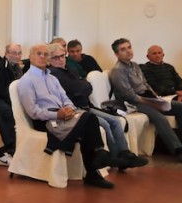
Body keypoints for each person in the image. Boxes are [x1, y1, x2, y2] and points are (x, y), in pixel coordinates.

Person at [18, 45, 115, 188]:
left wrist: (70, 108)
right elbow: (33, 112)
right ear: (31, 57)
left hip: (62, 116)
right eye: (39, 54)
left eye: (46, 55)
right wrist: (57, 114)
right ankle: (96, 163)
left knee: (87, 120)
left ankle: (95, 165)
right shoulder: (27, 81)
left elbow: (65, 98)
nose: (43, 57)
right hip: (46, 121)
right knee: (88, 118)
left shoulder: (51, 78)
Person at [46, 42, 147, 170]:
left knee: (115, 120)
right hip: (76, 109)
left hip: (86, 105)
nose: (61, 60)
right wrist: (82, 86)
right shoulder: (54, 74)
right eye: (56, 58)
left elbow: (88, 87)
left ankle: (125, 153)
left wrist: (81, 86)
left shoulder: (69, 69)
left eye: (62, 56)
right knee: (104, 123)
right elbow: (77, 87)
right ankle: (115, 158)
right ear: (49, 60)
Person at [108, 38, 182, 163]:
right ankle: (179, 150)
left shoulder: (134, 65)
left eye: (129, 47)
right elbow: (128, 95)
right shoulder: (118, 70)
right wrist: (151, 103)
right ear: (116, 54)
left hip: (148, 97)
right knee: (159, 117)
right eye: (123, 49)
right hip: (134, 103)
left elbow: (145, 84)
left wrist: (156, 98)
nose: (128, 51)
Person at [142, 45, 182, 124]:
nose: (157, 55)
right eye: (154, 53)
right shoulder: (145, 68)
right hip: (162, 98)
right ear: (148, 56)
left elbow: (179, 81)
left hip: (175, 95)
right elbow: (155, 86)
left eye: (159, 53)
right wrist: (176, 92)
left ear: (163, 55)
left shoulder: (169, 67)